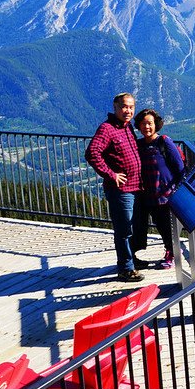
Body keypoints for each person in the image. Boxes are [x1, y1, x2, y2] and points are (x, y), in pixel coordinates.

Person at [85, 92, 144, 282]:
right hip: (121, 190)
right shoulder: (107, 129)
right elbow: (92, 153)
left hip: (135, 187)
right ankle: (126, 268)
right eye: (124, 107)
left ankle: (131, 260)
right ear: (115, 107)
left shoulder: (127, 128)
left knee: (132, 227)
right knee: (124, 229)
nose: (128, 111)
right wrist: (111, 175)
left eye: (131, 107)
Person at [133, 108, 184, 270]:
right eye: (143, 124)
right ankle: (169, 251)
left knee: (166, 225)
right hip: (147, 194)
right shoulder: (138, 145)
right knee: (158, 225)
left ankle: (172, 253)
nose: (146, 127)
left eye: (149, 123)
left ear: (156, 125)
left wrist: (176, 189)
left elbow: (179, 166)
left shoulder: (164, 141)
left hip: (165, 194)